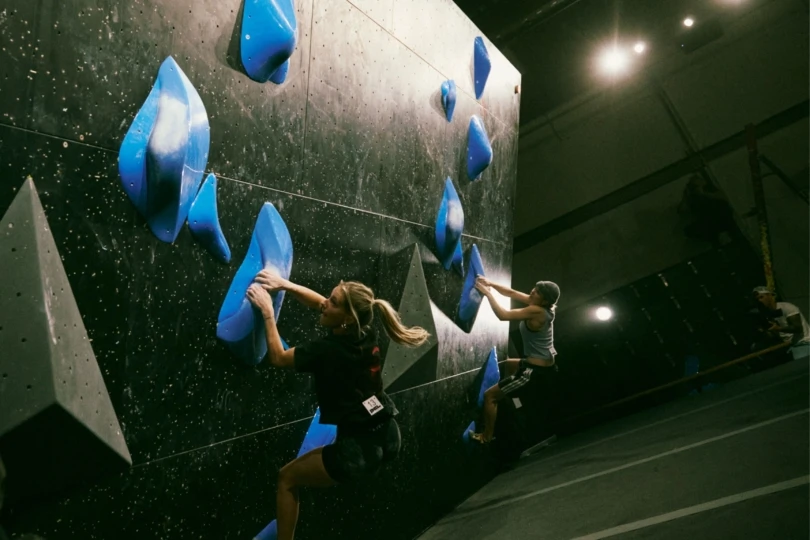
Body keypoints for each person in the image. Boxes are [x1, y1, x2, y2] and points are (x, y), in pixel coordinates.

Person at [246, 270, 430, 540]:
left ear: (345, 318)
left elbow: (279, 357)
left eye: (332, 302)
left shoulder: (327, 350)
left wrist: (267, 312)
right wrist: (286, 284)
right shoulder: (363, 329)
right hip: (388, 434)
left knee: (286, 479)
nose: (324, 303)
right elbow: (322, 304)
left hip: (356, 451)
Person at [467, 277, 560, 445]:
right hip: (537, 363)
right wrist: (491, 283)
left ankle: (486, 437)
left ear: (545, 300)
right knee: (506, 363)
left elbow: (504, 315)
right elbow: (511, 293)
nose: (533, 291)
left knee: (489, 396)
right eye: (534, 288)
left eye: (537, 292)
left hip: (534, 372)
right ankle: (506, 394)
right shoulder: (538, 304)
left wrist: (488, 293)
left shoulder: (538, 312)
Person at [677, 175, 736, 246]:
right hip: (708, 221)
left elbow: (723, 198)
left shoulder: (710, 189)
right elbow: (682, 210)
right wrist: (686, 194)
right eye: (694, 186)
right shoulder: (692, 198)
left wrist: (703, 193)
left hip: (717, 216)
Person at [752, 286, 810, 353]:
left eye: (761, 297)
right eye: (757, 299)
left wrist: (778, 328)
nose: (759, 300)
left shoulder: (787, 307)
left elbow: (798, 328)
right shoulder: (766, 314)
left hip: (804, 342)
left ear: (770, 295)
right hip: (789, 346)